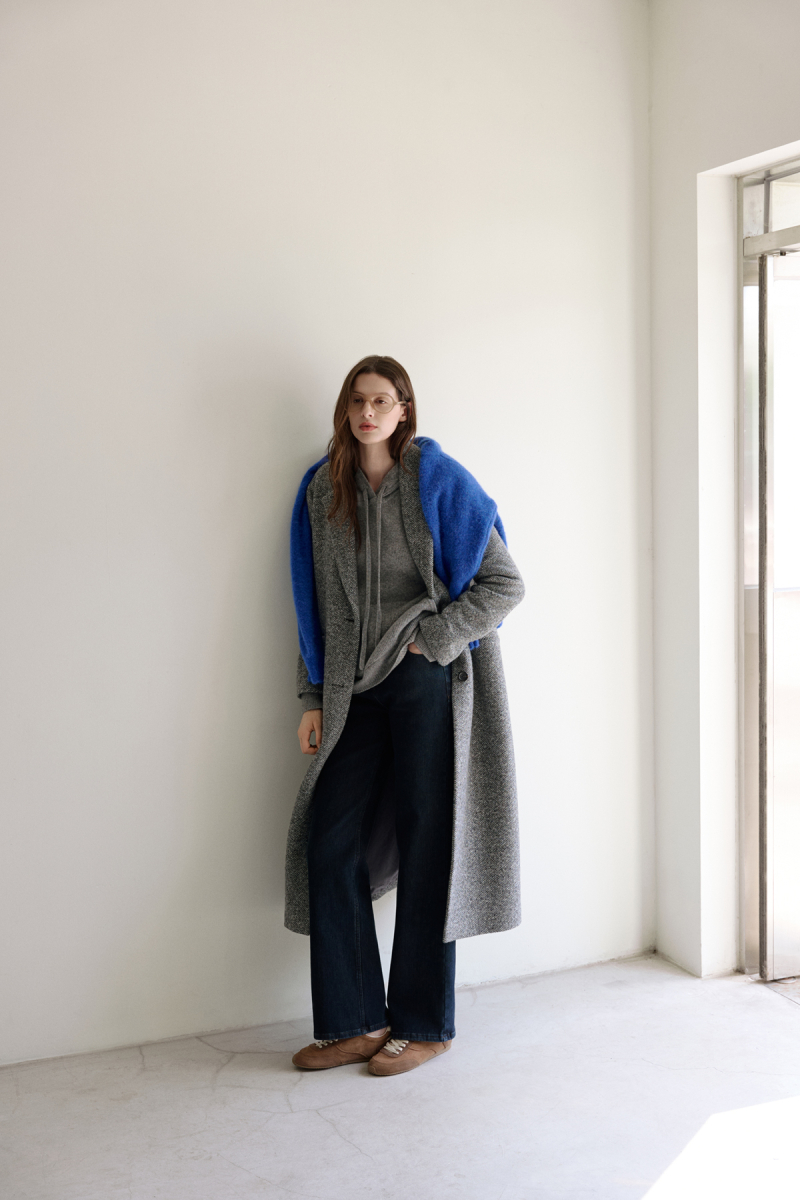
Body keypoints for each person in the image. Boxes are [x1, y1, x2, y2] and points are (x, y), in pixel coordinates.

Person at [285, 355, 524, 1076]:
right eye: (357, 401)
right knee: (331, 838)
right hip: (353, 688)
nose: (368, 413)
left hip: (424, 680)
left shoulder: (437, 480)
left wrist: (434, 641)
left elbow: (504, 582)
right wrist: (311, 696)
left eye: (381, 401)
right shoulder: (323, 489)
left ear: (404, 410)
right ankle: (355, 1021)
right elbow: (312, 605)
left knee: (429, 840)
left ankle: (423, 1024)